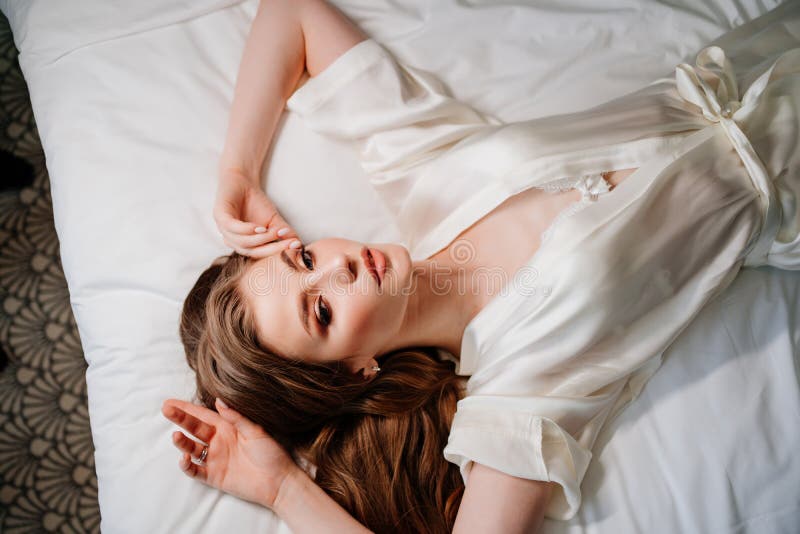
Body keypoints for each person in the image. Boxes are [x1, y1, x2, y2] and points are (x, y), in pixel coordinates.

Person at [161, 0, 800, 532]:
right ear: (355, 370)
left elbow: (291, 13)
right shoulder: (517, 389)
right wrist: (281, 492)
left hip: (768, 47)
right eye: (321, 311)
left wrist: (238, 172)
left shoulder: (422, 170)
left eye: (305, 257)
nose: (341, 266)